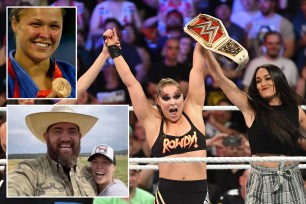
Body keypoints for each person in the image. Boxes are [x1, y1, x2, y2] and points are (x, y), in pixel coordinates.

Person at [103, 28, 210, 203]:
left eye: (177, 96)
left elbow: (197, 69)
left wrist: (201, 36)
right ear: (158, 102)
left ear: (183, 97)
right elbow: (131, 83)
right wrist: (115, 50)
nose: (173, 102)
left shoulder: (194, 110)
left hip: (199, 193)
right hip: (167, 195)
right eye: (166, 98)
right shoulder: (152, 121)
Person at [205, 48, 306, 203]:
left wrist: (295, 141)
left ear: (278, 80)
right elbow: (220, 78)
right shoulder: (251, 109)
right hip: (260, 177)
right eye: (258, 81)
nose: (262, 84)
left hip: (290, 176)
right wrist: (206, 49)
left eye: (267, 79)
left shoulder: (296, 111)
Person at [8, 106, 98, 196]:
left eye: (72, 131)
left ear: (79, 137)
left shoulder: (88, 173)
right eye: (57, 131)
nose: (65, 138)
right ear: (46, 137)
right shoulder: (29, 172)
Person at [8, 7, 76, 98]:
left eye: (54, 26)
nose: (45, 34)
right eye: (36, 24)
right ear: (14, 24)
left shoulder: (73, 75)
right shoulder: (5, 79)